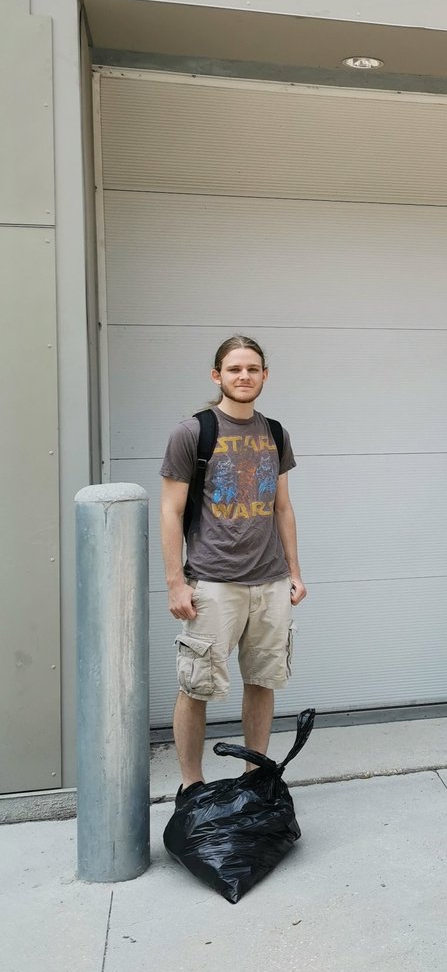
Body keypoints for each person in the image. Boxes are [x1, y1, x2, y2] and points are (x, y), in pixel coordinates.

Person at [160, 336, 306, 806]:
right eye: (234, 368)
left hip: (270, 581)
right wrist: (175, 583)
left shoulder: (276, 432)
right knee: (196, 686)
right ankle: (191, 786)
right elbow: (170, 511)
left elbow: (282, 507)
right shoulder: (193, 432)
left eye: (253, 369)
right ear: (216, 375)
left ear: (265, 375)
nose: (244, 376)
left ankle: (255, 777)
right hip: (213, 581)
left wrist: (295, 572)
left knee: (262, 682)